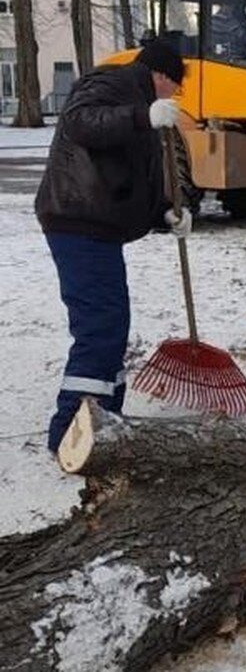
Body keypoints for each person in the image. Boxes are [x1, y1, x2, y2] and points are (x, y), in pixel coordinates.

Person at [34, 40, 191, 453]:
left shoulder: (137, 103)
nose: (173, 97)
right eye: (174, 88)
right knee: (100, 326)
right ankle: (68, 432)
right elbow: (80, 122)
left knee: (112, 325)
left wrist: (165, 214)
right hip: (76, 219)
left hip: (97, 226)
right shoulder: (114, 83)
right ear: (161, 76)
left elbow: (128, 174)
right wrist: (143, 115)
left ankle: (105, 419)